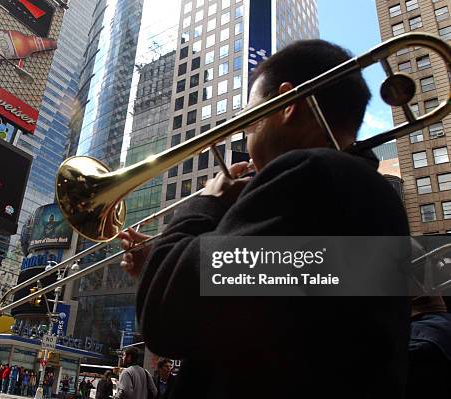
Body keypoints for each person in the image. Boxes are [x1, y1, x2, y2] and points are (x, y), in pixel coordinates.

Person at [119, 39, 411, 399]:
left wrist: (207, 202)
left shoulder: (313, 174)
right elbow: (237, 316)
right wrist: (158, 267)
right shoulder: (359, 191)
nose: (246, 132)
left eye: (251, 118)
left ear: (286, 105)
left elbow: (168, 321)